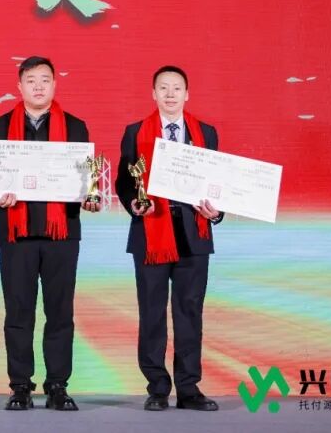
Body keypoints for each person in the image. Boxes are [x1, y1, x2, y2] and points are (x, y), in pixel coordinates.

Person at [0, 56, 99, 412]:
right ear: (19, 86)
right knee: (18, 313)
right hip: (16, 234)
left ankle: (57, 385)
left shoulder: (76, 128)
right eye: (31, 80)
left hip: (61, 233)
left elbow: (87, 180)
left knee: (60, 312)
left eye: (45, 80)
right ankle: (20, 386)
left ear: (54, 85)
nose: (38, 86)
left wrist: (90, 196)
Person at [115, 65, 223, 413]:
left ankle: (189, 388)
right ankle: (158, 388)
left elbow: (218, 184)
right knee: (152, 312)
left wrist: (216, 212)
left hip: (194, 233)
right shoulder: (135, 132)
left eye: (177, 88)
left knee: (190, 311)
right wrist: (134, 204)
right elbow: (124, 181)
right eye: (163, 88)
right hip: (151, 231)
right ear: (154, 94)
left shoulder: (206, 133)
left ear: (187, 94)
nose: (170, 94)